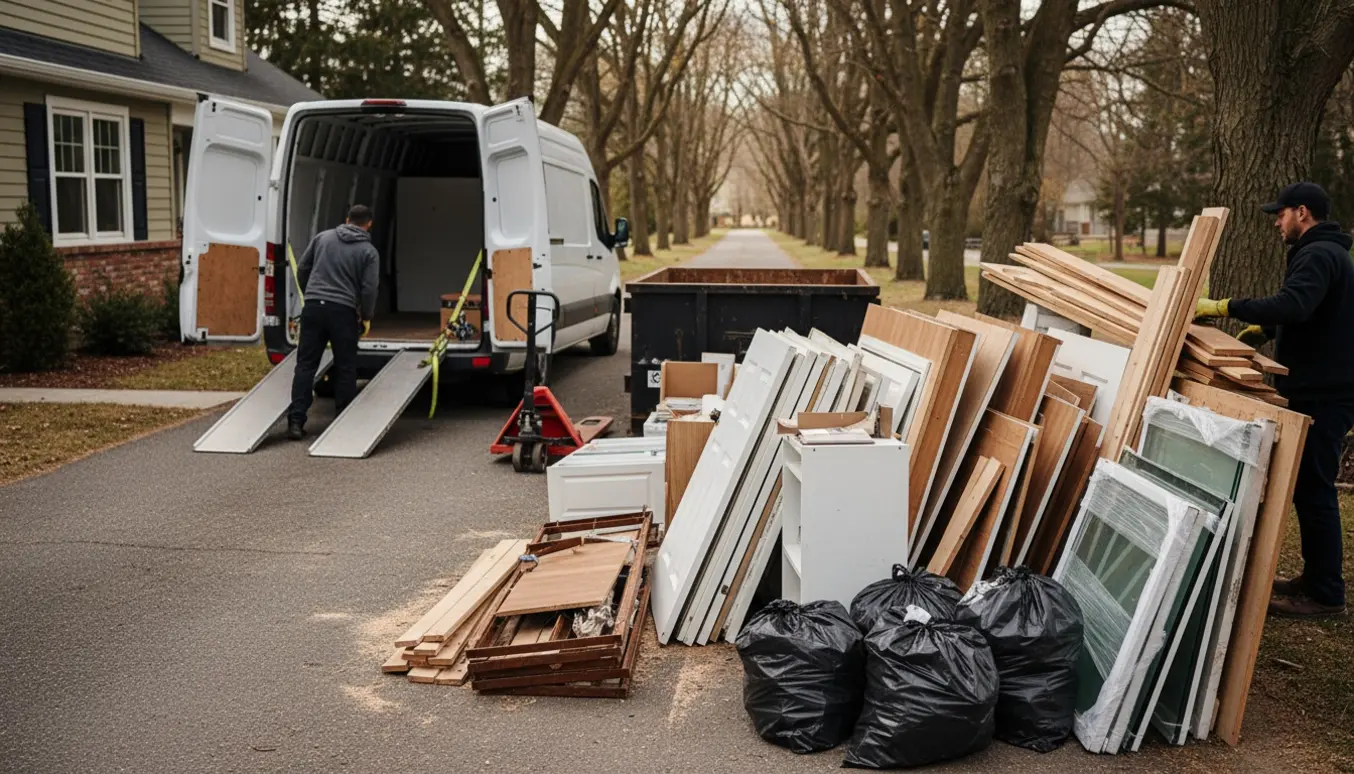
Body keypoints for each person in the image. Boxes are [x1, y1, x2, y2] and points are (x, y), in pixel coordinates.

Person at [1196, 182, 1354, 619]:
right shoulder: (1326, 252)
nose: (1276, 223)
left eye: (1280, 214)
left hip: (1325, 393)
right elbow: (1315, 310)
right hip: (1323, 387)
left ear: (1302, 212)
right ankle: (1315, 578)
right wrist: (1269, 331)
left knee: (1315, 489)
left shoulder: (1318, 254)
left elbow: (1295, 304)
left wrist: (1225, 306)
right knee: (1307, 487)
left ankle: (1326, 595)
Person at [287, 204, 380, 440]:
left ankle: (296, 422)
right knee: (345, 367)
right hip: (343, 312)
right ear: (369, 224)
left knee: (306, 365)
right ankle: (342, 423)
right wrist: (366, 315)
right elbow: (369, 289)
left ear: (347, 219)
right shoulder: (368, 252)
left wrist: (311, 293)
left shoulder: (323, 238)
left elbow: (303, 269)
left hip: (313, 309)